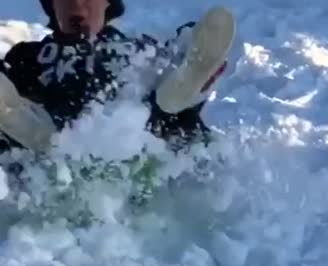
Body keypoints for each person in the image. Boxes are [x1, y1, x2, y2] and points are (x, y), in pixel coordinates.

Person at [0, 0, 227, 153]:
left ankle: (181, 82)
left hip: (139, 143)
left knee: (165, 91)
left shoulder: (137, 50)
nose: (77, 4)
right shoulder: (30, 57)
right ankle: (40, 134)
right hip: (53, 155)